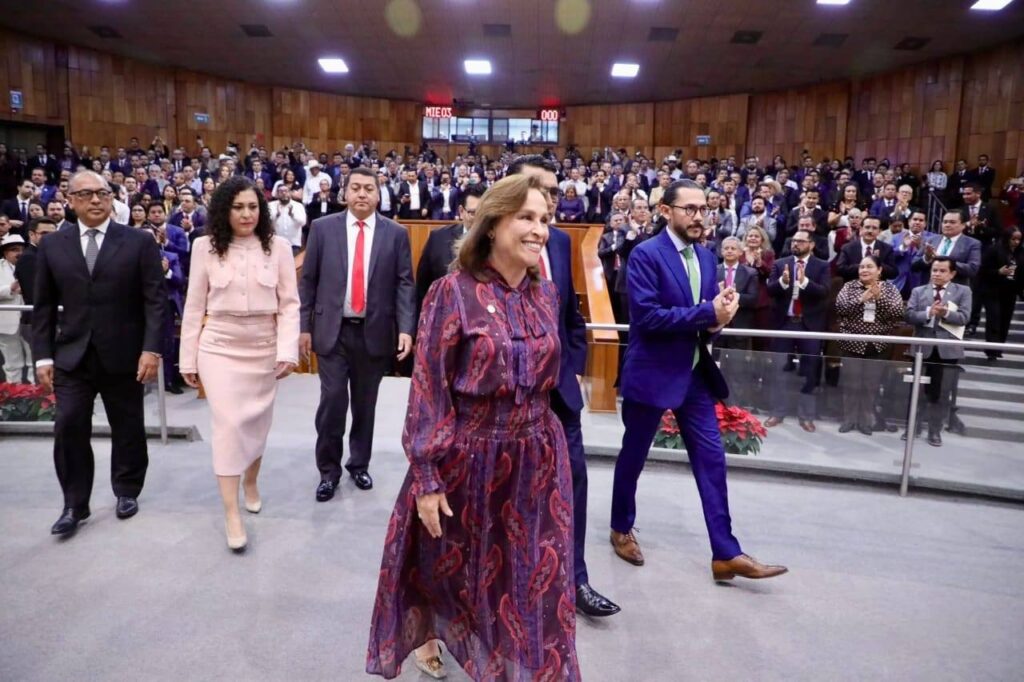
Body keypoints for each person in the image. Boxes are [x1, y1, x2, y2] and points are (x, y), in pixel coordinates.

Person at [366, 173, 581, 681]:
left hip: (538, 459)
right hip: (470, 456)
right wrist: (426, 477)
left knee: (537, 582)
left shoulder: (546, 294)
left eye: (545, 219)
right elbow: (429, 387)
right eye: (526, 217)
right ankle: (435, 634)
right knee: (456, 570)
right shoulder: (452, 292)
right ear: (492, 224)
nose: (539, 230)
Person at [610, 179, 787, 581]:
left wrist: (718, 320)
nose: (698, 216)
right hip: (652, 373)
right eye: (689, 209)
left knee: (712, 461)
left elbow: (705, 319)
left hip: (693, 374)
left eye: (703, 209)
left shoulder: (707, 258)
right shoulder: (645, 254)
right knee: (633, 457)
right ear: (665, 211)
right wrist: (709, 314)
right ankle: (621, 527)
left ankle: (726, 553)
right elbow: (648, 318)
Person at [507, 154, 619, 618]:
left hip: (560, 395)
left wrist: (572, 369)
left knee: (573, 483)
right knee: (512, 492)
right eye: (540, 189)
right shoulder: (489, 248)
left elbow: (572, 317)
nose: (550, 200)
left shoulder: (559, 242)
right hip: (509, 399)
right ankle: (511, 586)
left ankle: (576, 581)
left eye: (554, 192)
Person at [31, 170, 165, 536]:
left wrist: (151, 349)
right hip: (73, 355)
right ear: (70, 201)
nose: (95, 200)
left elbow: (155, 301)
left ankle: (127, 489)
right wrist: (43, 356)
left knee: (128, 426)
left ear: (111, 199)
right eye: (86, 194)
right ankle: (74, 504)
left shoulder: (138, 242)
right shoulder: (53, 245)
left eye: (102, 193)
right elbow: (43, 307)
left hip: (125, 353)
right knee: (68, 424)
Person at [178, 177, 299, 550]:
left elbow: (289, 304)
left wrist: (287, 350)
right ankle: (232, 513)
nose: (247, 214)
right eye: (238, 207)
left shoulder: (278, 247)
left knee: (255, 424)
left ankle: (251, 481)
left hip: (263, 346)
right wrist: (187, 357)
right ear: (223, 210)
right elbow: (194, 305)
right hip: (219, 346)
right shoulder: (204, 247)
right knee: (229, 425)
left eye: (252, 207)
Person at [300, 167, 415, 498]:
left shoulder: (396, 233)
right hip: (332, 331)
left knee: (365, 404)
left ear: (379, 195)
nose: (362, 193)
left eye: (369, 188)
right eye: (356, 188)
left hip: (374, 332)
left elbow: (404, 284)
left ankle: (359, 464)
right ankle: (328, 470)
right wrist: (304, 327)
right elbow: (308, 282)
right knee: (333, 400)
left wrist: (406, 328)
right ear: (345, 193)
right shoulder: (323, 229)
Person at [764, 229, 831, 432]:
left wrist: (804, 282)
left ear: (811, 244)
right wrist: (783, 282)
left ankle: (806, 416)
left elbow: (824, 292)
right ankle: (778, 412)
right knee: (779, 370)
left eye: (801, 241)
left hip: (809, 325)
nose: (796, 244)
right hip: (784, 323)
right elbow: (769, 290)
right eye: (794, 241)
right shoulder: (780, 264)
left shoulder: (822, 266)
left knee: (810, 371)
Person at [834, 256, 906, 435]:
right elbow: (839, 308)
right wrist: (861, 299)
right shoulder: (849, 287)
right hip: (852, 344)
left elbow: (898, 313)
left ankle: (865, 421)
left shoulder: (890, 289)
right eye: (861, 267)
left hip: (878, 345)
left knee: (870, 385)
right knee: (851, 384)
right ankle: (849, 420)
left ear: (879, 270)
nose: (864, 270)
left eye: (869, 267)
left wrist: (879, 298)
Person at [905, 258, 971, 447]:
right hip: (922, 349)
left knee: (941, 393)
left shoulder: (963, 291)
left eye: (942, 271)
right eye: (934, 270)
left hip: (947, 350)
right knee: (916, 390)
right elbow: (908, 315)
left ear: (952, 273)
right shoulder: (919, 291)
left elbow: (965, 317)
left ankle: (934, 430)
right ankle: (913, 427)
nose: (937, 274)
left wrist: (945, 314)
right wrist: (928, 314)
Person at [415, 183, 486, 311]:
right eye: (473, 213)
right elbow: (422, 288)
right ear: (461, 211)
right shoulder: (438, 238)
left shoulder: (501, 243)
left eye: (485, 213)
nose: (480, 219)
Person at [979, 228, 1023, 360]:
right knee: (994, 319)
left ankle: (999, 348)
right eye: (1013, 239)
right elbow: (983, 270)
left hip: (1011, 291)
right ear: (1007, 238)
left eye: (1019, 239)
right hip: (993, 290)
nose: (1016, 242)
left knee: (1005, 320)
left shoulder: (1021, 253)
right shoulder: (994, 250)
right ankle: (991, 349)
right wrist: (998, 272)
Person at [0, 234, 31, 382]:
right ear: (5, 253)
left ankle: (38, 395)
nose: (19, 253)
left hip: (31, 321)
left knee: (34, 361)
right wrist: (10, 289)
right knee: (12, 363)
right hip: (6, 322)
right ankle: (14, 394)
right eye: (14, 249)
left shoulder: (34, 264)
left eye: (22, 249)